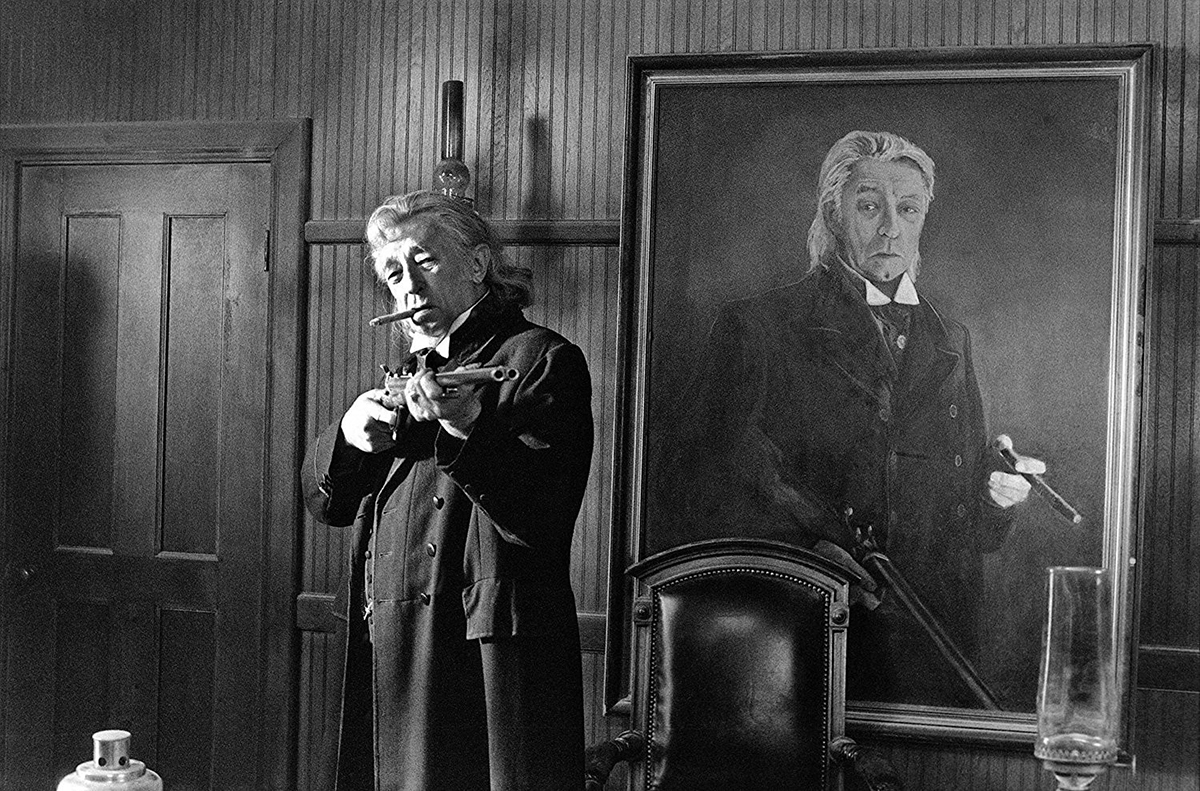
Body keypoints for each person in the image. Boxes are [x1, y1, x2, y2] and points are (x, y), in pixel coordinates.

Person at [663, 130, 1044, 706]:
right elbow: (696, 485)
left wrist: (995, 494)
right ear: (833, 215)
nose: (890, 227)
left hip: (937, 643)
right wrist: (805, 556)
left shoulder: (951, 340)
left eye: (907, 209)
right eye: (869, 207)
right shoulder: (757, 327)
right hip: (807, 637)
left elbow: (966, 524)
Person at [302, 190, 594, 790]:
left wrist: (468, 428)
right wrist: (349, 437)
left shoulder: (541, 359)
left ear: (479, 264)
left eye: (425, 262)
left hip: (481, 658)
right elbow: (328, 505)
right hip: (390, 647)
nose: (409, 286)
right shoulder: (406, 373)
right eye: (393, 273)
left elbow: (542, 518)